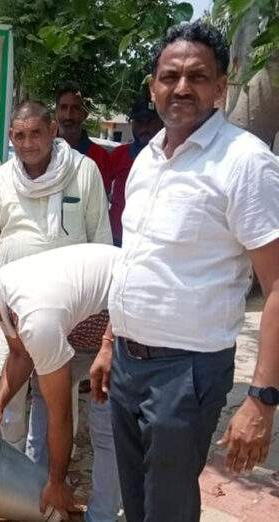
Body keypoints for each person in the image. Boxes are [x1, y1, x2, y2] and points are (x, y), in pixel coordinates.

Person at [89, 21, 279, 522]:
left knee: (167, 510)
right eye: (170, 76)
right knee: (139, 501)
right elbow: (137, 261)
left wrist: (262, 399)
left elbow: (278, 283)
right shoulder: (148, 160)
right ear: (153, 86)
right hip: (128, 364)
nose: (181, 88)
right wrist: (110, 343)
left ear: (221, 87)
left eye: (198, 76)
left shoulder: (244, 162)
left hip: (186, 372)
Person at [0, 243, 122, 521]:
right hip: (82, 327)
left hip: (123, 319)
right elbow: (19, 354)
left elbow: (62, 415)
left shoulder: (34, 317)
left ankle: (99, 514)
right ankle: (42, 497)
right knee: (44, 392)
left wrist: (58, 480)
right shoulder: (1, 292)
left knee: (105, 424)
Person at [0, 99, 112, 458]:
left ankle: (48, 475)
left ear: (52, 131)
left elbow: (103, 244)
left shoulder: (84, 171)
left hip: (69, 313)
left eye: (36, 133)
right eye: (20, 135)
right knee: (11, 398)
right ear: (11, 138)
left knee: (56, 397)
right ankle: (10, 476)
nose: (28, 143)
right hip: (11, 311)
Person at [108, 101, 163, 246]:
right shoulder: (119, 155)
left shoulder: (170, 158)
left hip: (151, 241)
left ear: (161, 122)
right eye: (139, 122)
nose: (145, 128)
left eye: (150, 122)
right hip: (116, 239)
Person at [55, 83, 111, 192]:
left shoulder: (100, 157)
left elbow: (101, 204)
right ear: (56, 111)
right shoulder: (43, 150)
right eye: (63, 107)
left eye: (75, 108)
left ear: (85, 113)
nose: (68, 116)